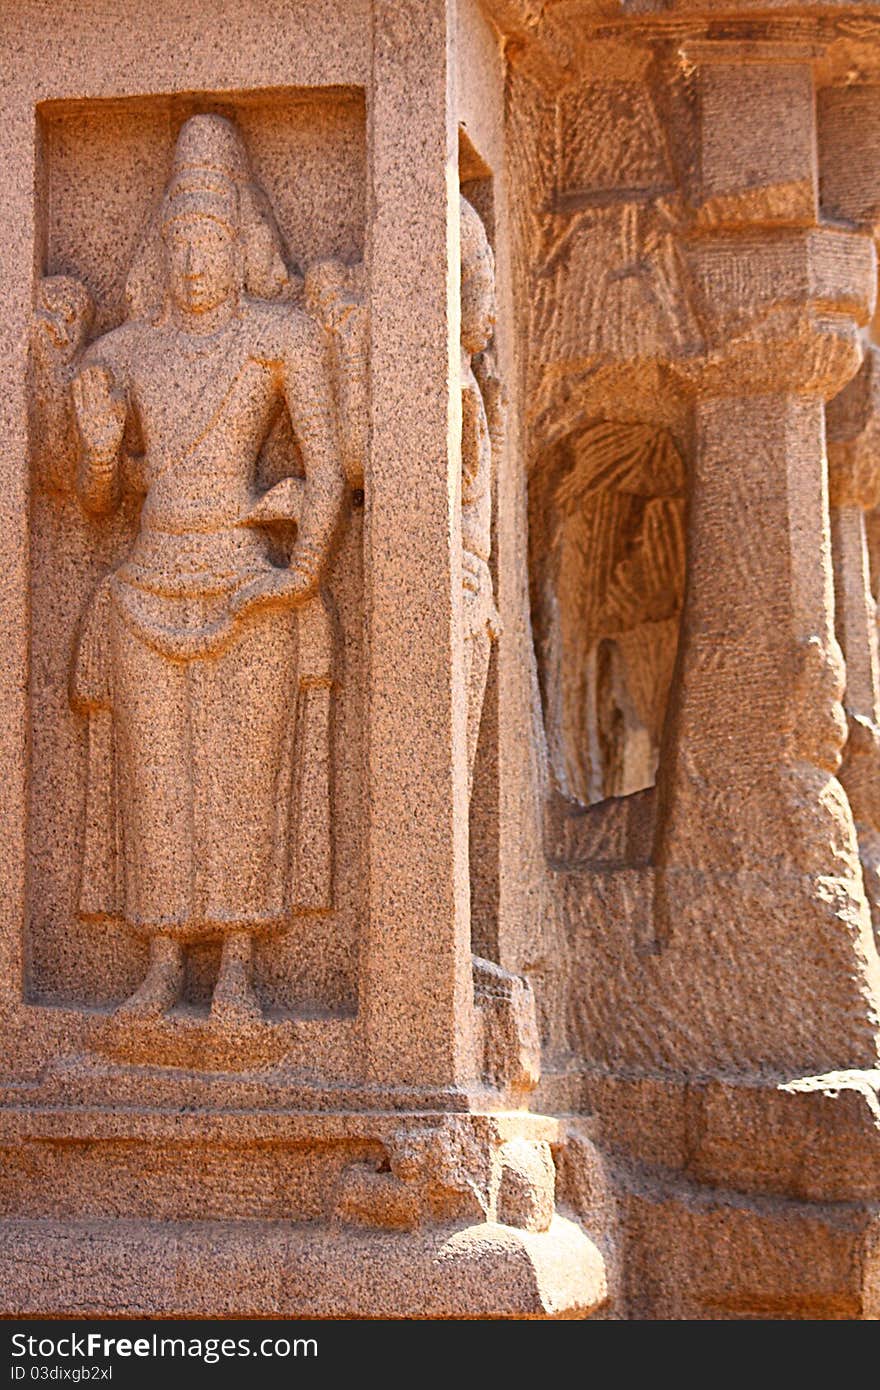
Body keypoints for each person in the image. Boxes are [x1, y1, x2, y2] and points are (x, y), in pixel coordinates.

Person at [67, 114, 344, 1025]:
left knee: (240, 777)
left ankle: (236, 969)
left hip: (243, 583)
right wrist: (103, 452)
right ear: (163, 245)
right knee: (156, 782)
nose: (194, 261)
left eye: (211, 241)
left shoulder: (279, 338)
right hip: (148, 583)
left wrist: (300, 575)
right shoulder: (130, 350)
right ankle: (156, 963)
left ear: (242, 246)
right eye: (180, 239)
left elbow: (331, 467)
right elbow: (96, 500)